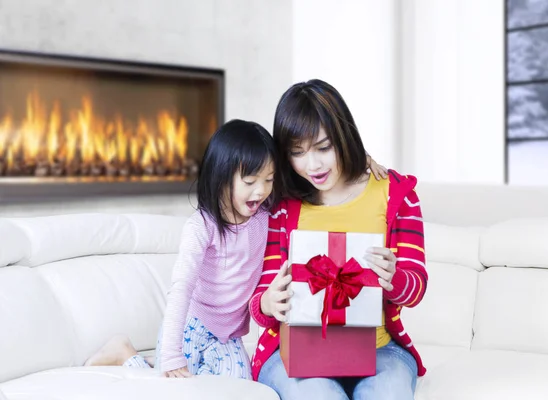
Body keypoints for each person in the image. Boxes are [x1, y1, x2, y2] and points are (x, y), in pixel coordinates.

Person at [83, 118, 388, 380]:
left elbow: (310, 178)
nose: (261, 189)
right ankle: (126, 353)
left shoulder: (266, 217)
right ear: (221, 178)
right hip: (194, 325)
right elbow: (181, 288)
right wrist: (172, 352)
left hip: (228, 336)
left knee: (239, 386)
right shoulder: (201, 227)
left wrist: (359, 160)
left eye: (269, 179)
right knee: (173, 384)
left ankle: (153, 360)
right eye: (250, 180)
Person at [250, 79, 428, 399]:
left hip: (381, 351)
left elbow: (416, 288)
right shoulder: (283, 208)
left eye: (324, 147)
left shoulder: (396, 195)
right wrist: (267, 302)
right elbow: (261, 300)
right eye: (297, 153)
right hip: (294, 352)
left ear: (344, 137)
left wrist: (394, 277)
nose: (313, 165)